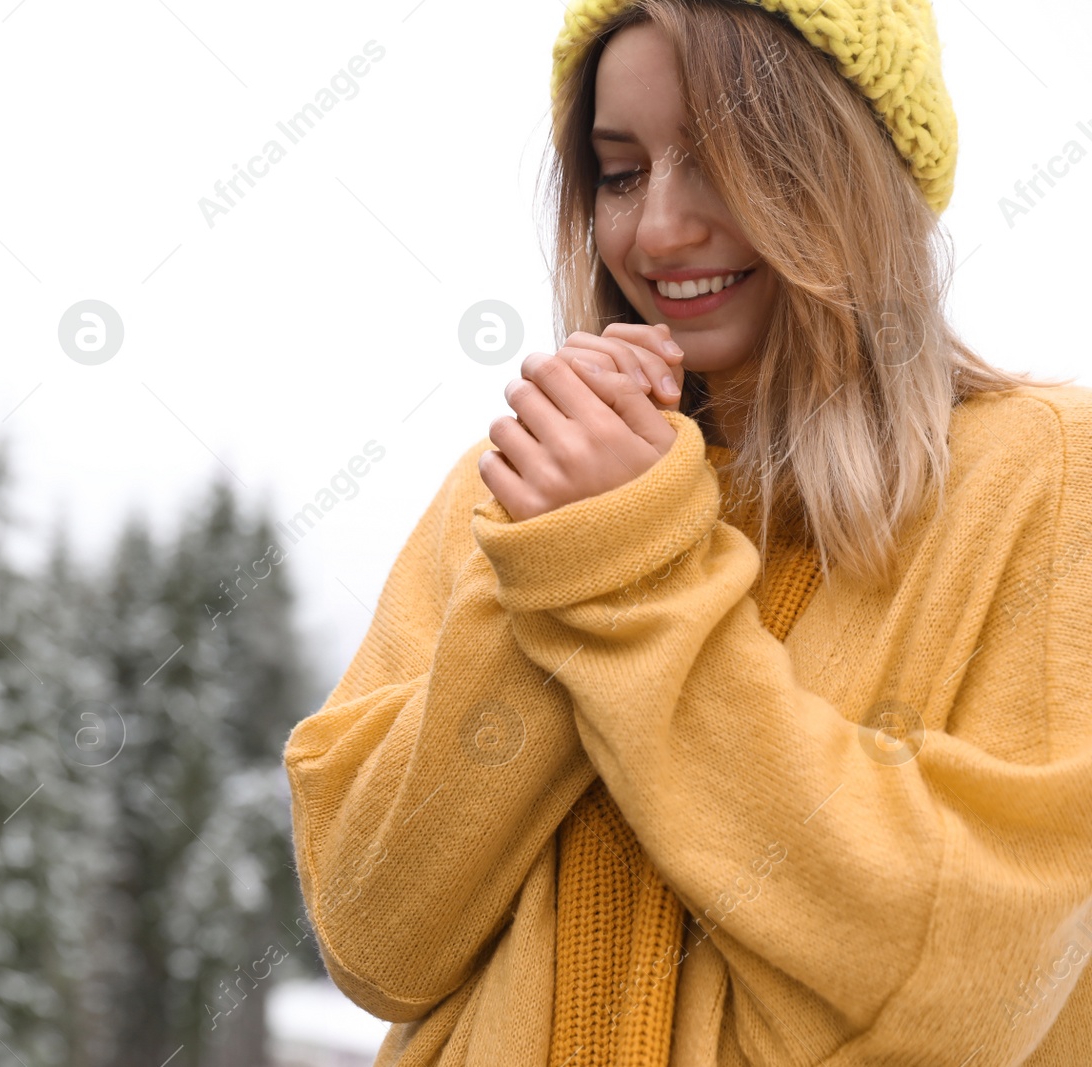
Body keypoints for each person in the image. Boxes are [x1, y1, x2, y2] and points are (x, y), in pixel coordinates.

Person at [281, 0, 1092, 1064]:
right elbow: (376, 939)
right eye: (620, 173)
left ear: (855, 166)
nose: (657, 229)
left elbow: (959, 986)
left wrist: (628, 572)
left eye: (725, 160)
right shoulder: (517, 488)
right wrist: (560, 545)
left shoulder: (1043, 476)